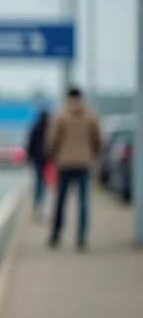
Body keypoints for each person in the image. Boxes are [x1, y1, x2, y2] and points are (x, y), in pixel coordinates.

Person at [46, 87, 102, 249]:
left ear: (68, 97)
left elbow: (52, 140)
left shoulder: (61, 115)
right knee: (83, 200)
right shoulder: (91, 116)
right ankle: (81, 237)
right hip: (84, 163)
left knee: (61, 200)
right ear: (81, 97)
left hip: (64, 163)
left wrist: (52, 155)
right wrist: (91, 154)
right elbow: (98, 140)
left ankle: (56, 234)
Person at [25, 106, 50, 217]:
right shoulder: (50, 129)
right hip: (46, 159)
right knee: (43, 182)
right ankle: (41, 203)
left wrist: (29, 157)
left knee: (38, 182)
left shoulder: (35, 128)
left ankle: (37, 203)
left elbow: (30, 144)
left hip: (37, 159)